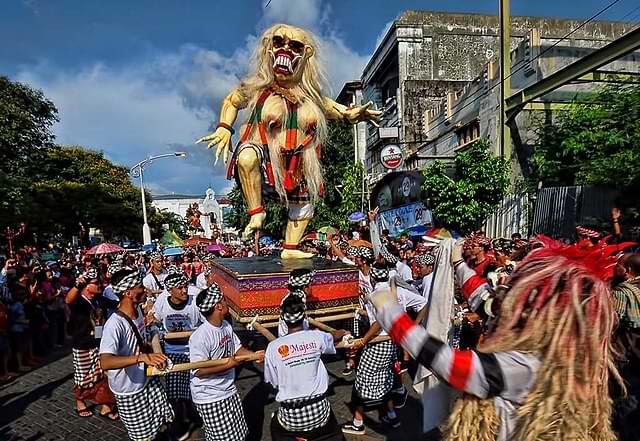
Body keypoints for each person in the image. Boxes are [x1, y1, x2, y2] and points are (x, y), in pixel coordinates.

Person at [369, 238, 622, 441]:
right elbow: (488, 301)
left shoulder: (526, 364)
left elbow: (449, 364)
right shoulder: (559, 350)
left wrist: (390, 312)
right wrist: (458, 264)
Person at [99, 267, 174, 441]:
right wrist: (142, 357)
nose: (145, 290)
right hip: (129, 389)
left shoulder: (139, 311)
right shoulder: (114, 325)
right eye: (140, 286)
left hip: (146, 379)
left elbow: (143, 338)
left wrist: (156, 353)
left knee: (164, 420)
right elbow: (105, 362)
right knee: (144, 437)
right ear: (128, 293)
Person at [265, 295, 348, 440]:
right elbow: (334, 336)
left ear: (283, 318)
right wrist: (342, 332)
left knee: (275, 425)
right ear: (304, 316)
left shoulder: (272, 348)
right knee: (332, 425)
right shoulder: (316, 337)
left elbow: (274, 382)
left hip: (292, 416)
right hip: (319, 412)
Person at [189, 283, 263, 441]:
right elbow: (198, 371)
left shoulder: (226, 326)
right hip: (210, 396)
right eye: (223, 300)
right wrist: (227, 365)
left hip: (228, 389)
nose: (226, 302)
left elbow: (237, 349)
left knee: (239, 434)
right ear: (218, 307)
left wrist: (254, 355)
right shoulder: (200, 336)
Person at [342, 265, 403, 436]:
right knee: (384, 378)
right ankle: (392, 416)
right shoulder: (391, 293)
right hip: (389, 342)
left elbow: (379, 321)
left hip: (378, 342)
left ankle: (358, 423)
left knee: (363, 380)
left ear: (373, 278)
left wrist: (364, 340)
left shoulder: (378, 295)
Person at [152, 271, 204, 441]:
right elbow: (155, 322)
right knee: (174, 393)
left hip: (192, 352)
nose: (184, 291)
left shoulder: (195, 302)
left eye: (185, 286)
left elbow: (205, 324)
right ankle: (180, 422)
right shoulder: (161, 303)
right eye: (180, 288)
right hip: (172, 352)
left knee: (192, 390)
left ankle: (191, 413)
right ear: (169, 290)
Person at [65, 267, 118, 420]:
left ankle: (106, 406)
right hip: (82, 344)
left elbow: (117, 304)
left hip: (100, 343)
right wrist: (77, 285)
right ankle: (80, 402)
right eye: (96, 283)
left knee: (104, 375)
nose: (100, 285)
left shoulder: (99, 299)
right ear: (87, 286)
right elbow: (68, 300)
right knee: (83, 377)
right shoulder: (79, 301)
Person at [612, 253, 640, 440]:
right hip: (638, 354)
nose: (615, 267)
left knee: (625, 397)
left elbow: (610, 322)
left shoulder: (623, 292)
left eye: (619, 265)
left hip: (624, 353)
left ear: (628, 271)